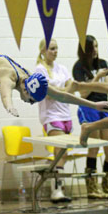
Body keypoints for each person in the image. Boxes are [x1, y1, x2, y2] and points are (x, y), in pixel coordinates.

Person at [72, 35, 108, 199]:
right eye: (92, 47)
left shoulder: (103, 64)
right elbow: (84, 92)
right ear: (85, 49)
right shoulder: (79, 67)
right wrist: (97, 78)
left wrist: (101, 80)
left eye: (97, 46)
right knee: (94, 148)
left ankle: (107, 185)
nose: (96, 50)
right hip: (89, 106)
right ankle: (92, 187)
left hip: (104, 106)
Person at [35, 39, 73, 203]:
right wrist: (61, 90)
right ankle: (56, 189)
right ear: (43, 51)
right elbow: (47, 94)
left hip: (66, 114)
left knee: (63, 153)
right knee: (58, 151)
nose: (55, 51)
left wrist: (59, 90)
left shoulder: (62, 68)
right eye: (51, 49)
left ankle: (59, 186)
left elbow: (71, 88)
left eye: (56, 48)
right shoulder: (39, 70)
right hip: (51, 116)